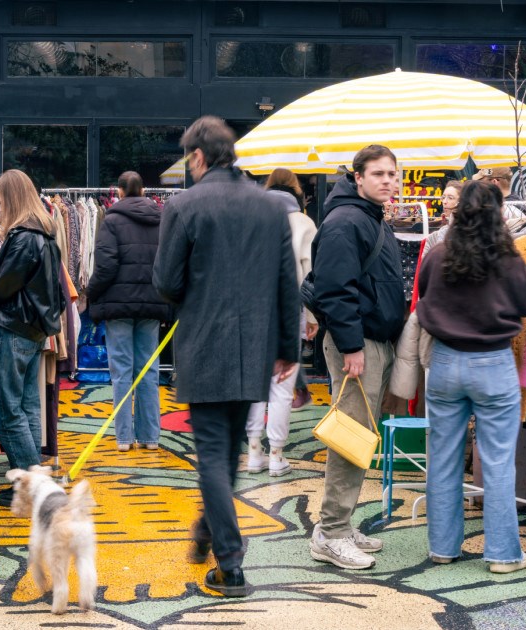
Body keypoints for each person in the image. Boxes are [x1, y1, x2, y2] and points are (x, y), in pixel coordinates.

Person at [153, 116, 300, 597]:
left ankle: (231, 563)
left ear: (197, 157)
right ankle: (209, 530)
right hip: (256, 348)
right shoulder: (270, 207)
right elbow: (287, 284)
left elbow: (167, 283)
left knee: (214, 457)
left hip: (204, 346)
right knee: (229, 453)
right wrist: (286, 350)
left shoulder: (184, 205)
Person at [416, 180, 526, 572]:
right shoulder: (506, 260)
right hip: (492, 363)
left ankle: (442, 547)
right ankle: (504, 555)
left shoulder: (437, 255)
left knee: (441, 457)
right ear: (498, 212)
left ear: (458, 213)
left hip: (443, 363)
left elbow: (423, 293)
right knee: (498, 462)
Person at [308, 144, 407, 570]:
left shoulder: (368, 216)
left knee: (360, 436)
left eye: (393, 173)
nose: (388, 180)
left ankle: (340, 525)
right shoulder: (346, 220)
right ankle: (330, 533)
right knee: (349, 438)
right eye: (379, 174)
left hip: (372, 341)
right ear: (358, 176)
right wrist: (351, 346)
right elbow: (333, 288)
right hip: (358, 344)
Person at [0, 169, 64, 508]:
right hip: (33, 330)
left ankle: (31, 486)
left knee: (9, 412)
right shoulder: (44, 232)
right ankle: (30, 483)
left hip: (14, 328)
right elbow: (15, 282)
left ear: (13, 198)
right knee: (28, 408)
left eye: (2, 201)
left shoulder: (22, 236)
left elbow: (0, 287)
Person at [87, 171, 171, 452]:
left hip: (118, 305)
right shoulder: (160, 220)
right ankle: (150, 438)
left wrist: (93, 294)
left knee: (121, 371)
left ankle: (124, 438)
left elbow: (106, 266)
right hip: (151, 303)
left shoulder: (111, 221)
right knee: (148, 369)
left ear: (119, 191)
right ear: (144, 190)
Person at [246, 168, 317, 477]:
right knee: (282, 386)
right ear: (296, 192)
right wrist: (312, 316)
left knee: (255, 386)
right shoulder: (303, 222)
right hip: (290, 311)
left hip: (251, 311)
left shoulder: (249, 217)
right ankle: (276, 455)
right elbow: (310, 274)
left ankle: (253, 452)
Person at [425, 179, 463, 251]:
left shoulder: (466, 231)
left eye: (450, 198)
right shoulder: (435, 235)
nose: (444, 202)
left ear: (461, 202)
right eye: (443, 197)